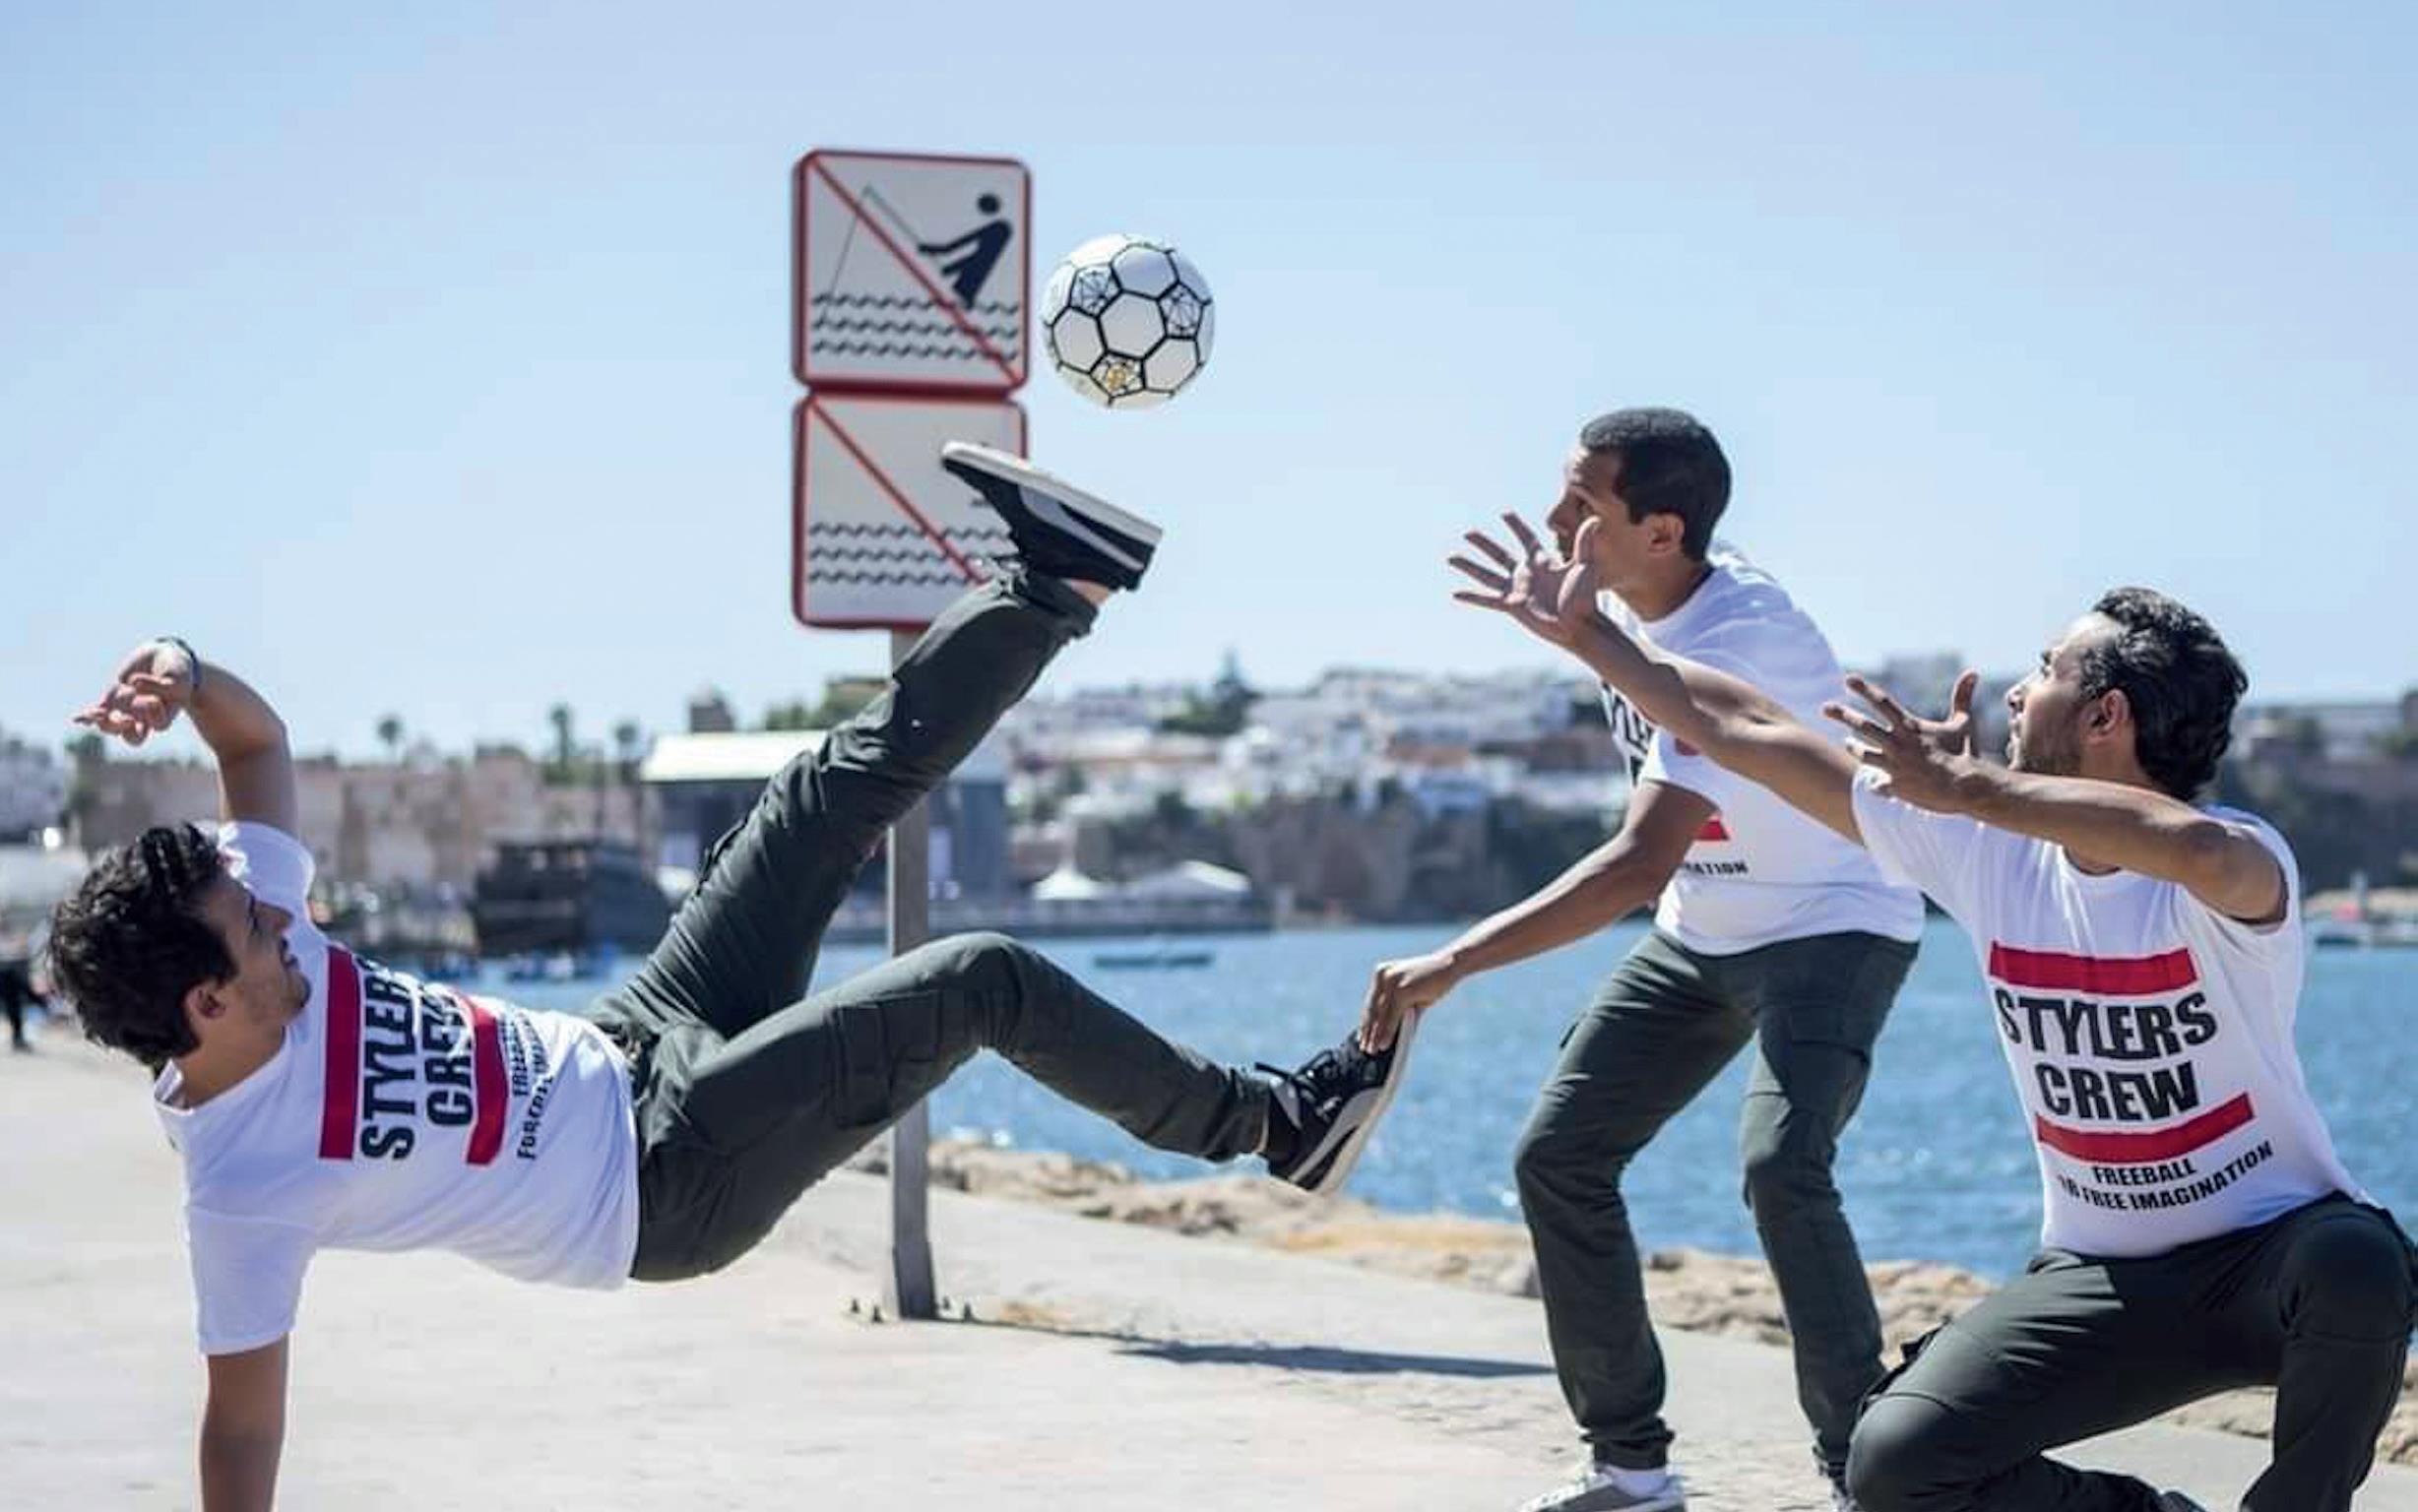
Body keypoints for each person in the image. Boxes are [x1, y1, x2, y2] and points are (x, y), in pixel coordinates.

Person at [42, 445, 1404, 1512]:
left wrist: (182, 664)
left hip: (636, 1034)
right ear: (204, 1007)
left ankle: (1058, 584)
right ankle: (1277, 1124)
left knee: (812, 800)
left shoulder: (246, 933)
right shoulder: (242, 1189)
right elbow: (242, 1419)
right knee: (977, 977)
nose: (286, 922)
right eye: (256, 934)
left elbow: (256, 744)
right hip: (665, 1181)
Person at [1445, 505, 2415, 1512]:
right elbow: (1745, 727)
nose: (2015, 688)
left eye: (2044, 669)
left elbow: (2192, 849)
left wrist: (1969, 790)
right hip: (2104, 1277)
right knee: (1892, 1464)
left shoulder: (2231, 855)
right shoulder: (1977, 845)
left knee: (2355, 1257)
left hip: (2269, 1264)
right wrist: (1594, 639)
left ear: (2103, 717)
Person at [1358, 410, 1924, 1512]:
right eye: (1563, 493)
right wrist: (1571, 625)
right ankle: (1629, 1466)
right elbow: (1659, 873)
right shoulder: (1613, 598)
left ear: (1662, 531)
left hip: (1831, 923)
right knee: (1557, 1158)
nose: (1557, 522)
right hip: (1701, 929)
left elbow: (1633, 861)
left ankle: (1865, 1470)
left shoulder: (1737, 638)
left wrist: (1452, 962)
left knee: (1779, 1168)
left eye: (1584, 506)